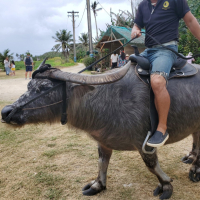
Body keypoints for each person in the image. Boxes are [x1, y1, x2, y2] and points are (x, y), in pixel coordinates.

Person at [131, 0, 200, 147]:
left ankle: (162, 128)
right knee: (127, 76)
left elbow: (190, 21)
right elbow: (137, 24)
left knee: (157, 81)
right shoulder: (143, 5)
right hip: (147, 50)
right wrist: (135, 30)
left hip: (166, 50)